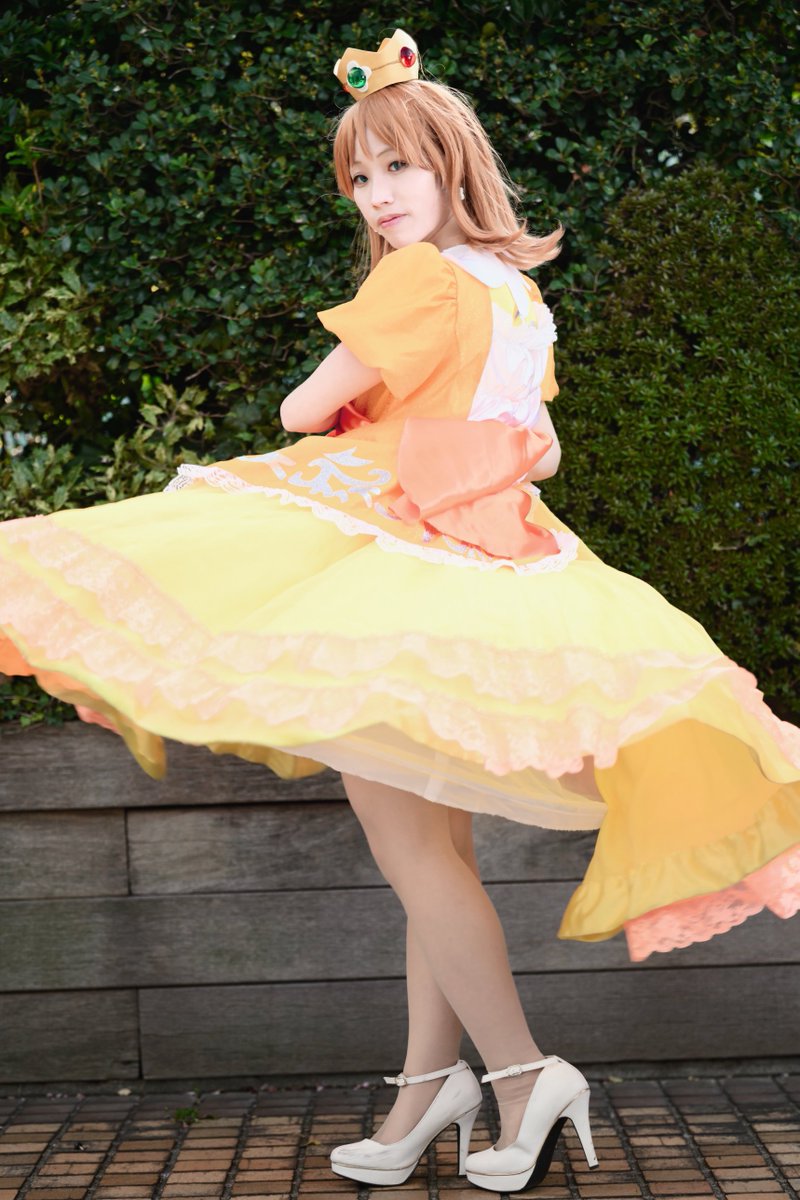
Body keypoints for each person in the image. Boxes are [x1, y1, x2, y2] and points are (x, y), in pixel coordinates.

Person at [1, 27, 798, 1195]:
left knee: (415, 851)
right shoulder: (517, 295)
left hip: (398, 558)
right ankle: (430, 1089)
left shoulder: (417, 278)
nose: (377, 196)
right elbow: (540, 448)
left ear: (450, 166)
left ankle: (522, 1076)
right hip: (489, 563)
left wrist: (368, 404)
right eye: (360, 177)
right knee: (437, 852)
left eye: (396, 168)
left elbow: (298, 408)